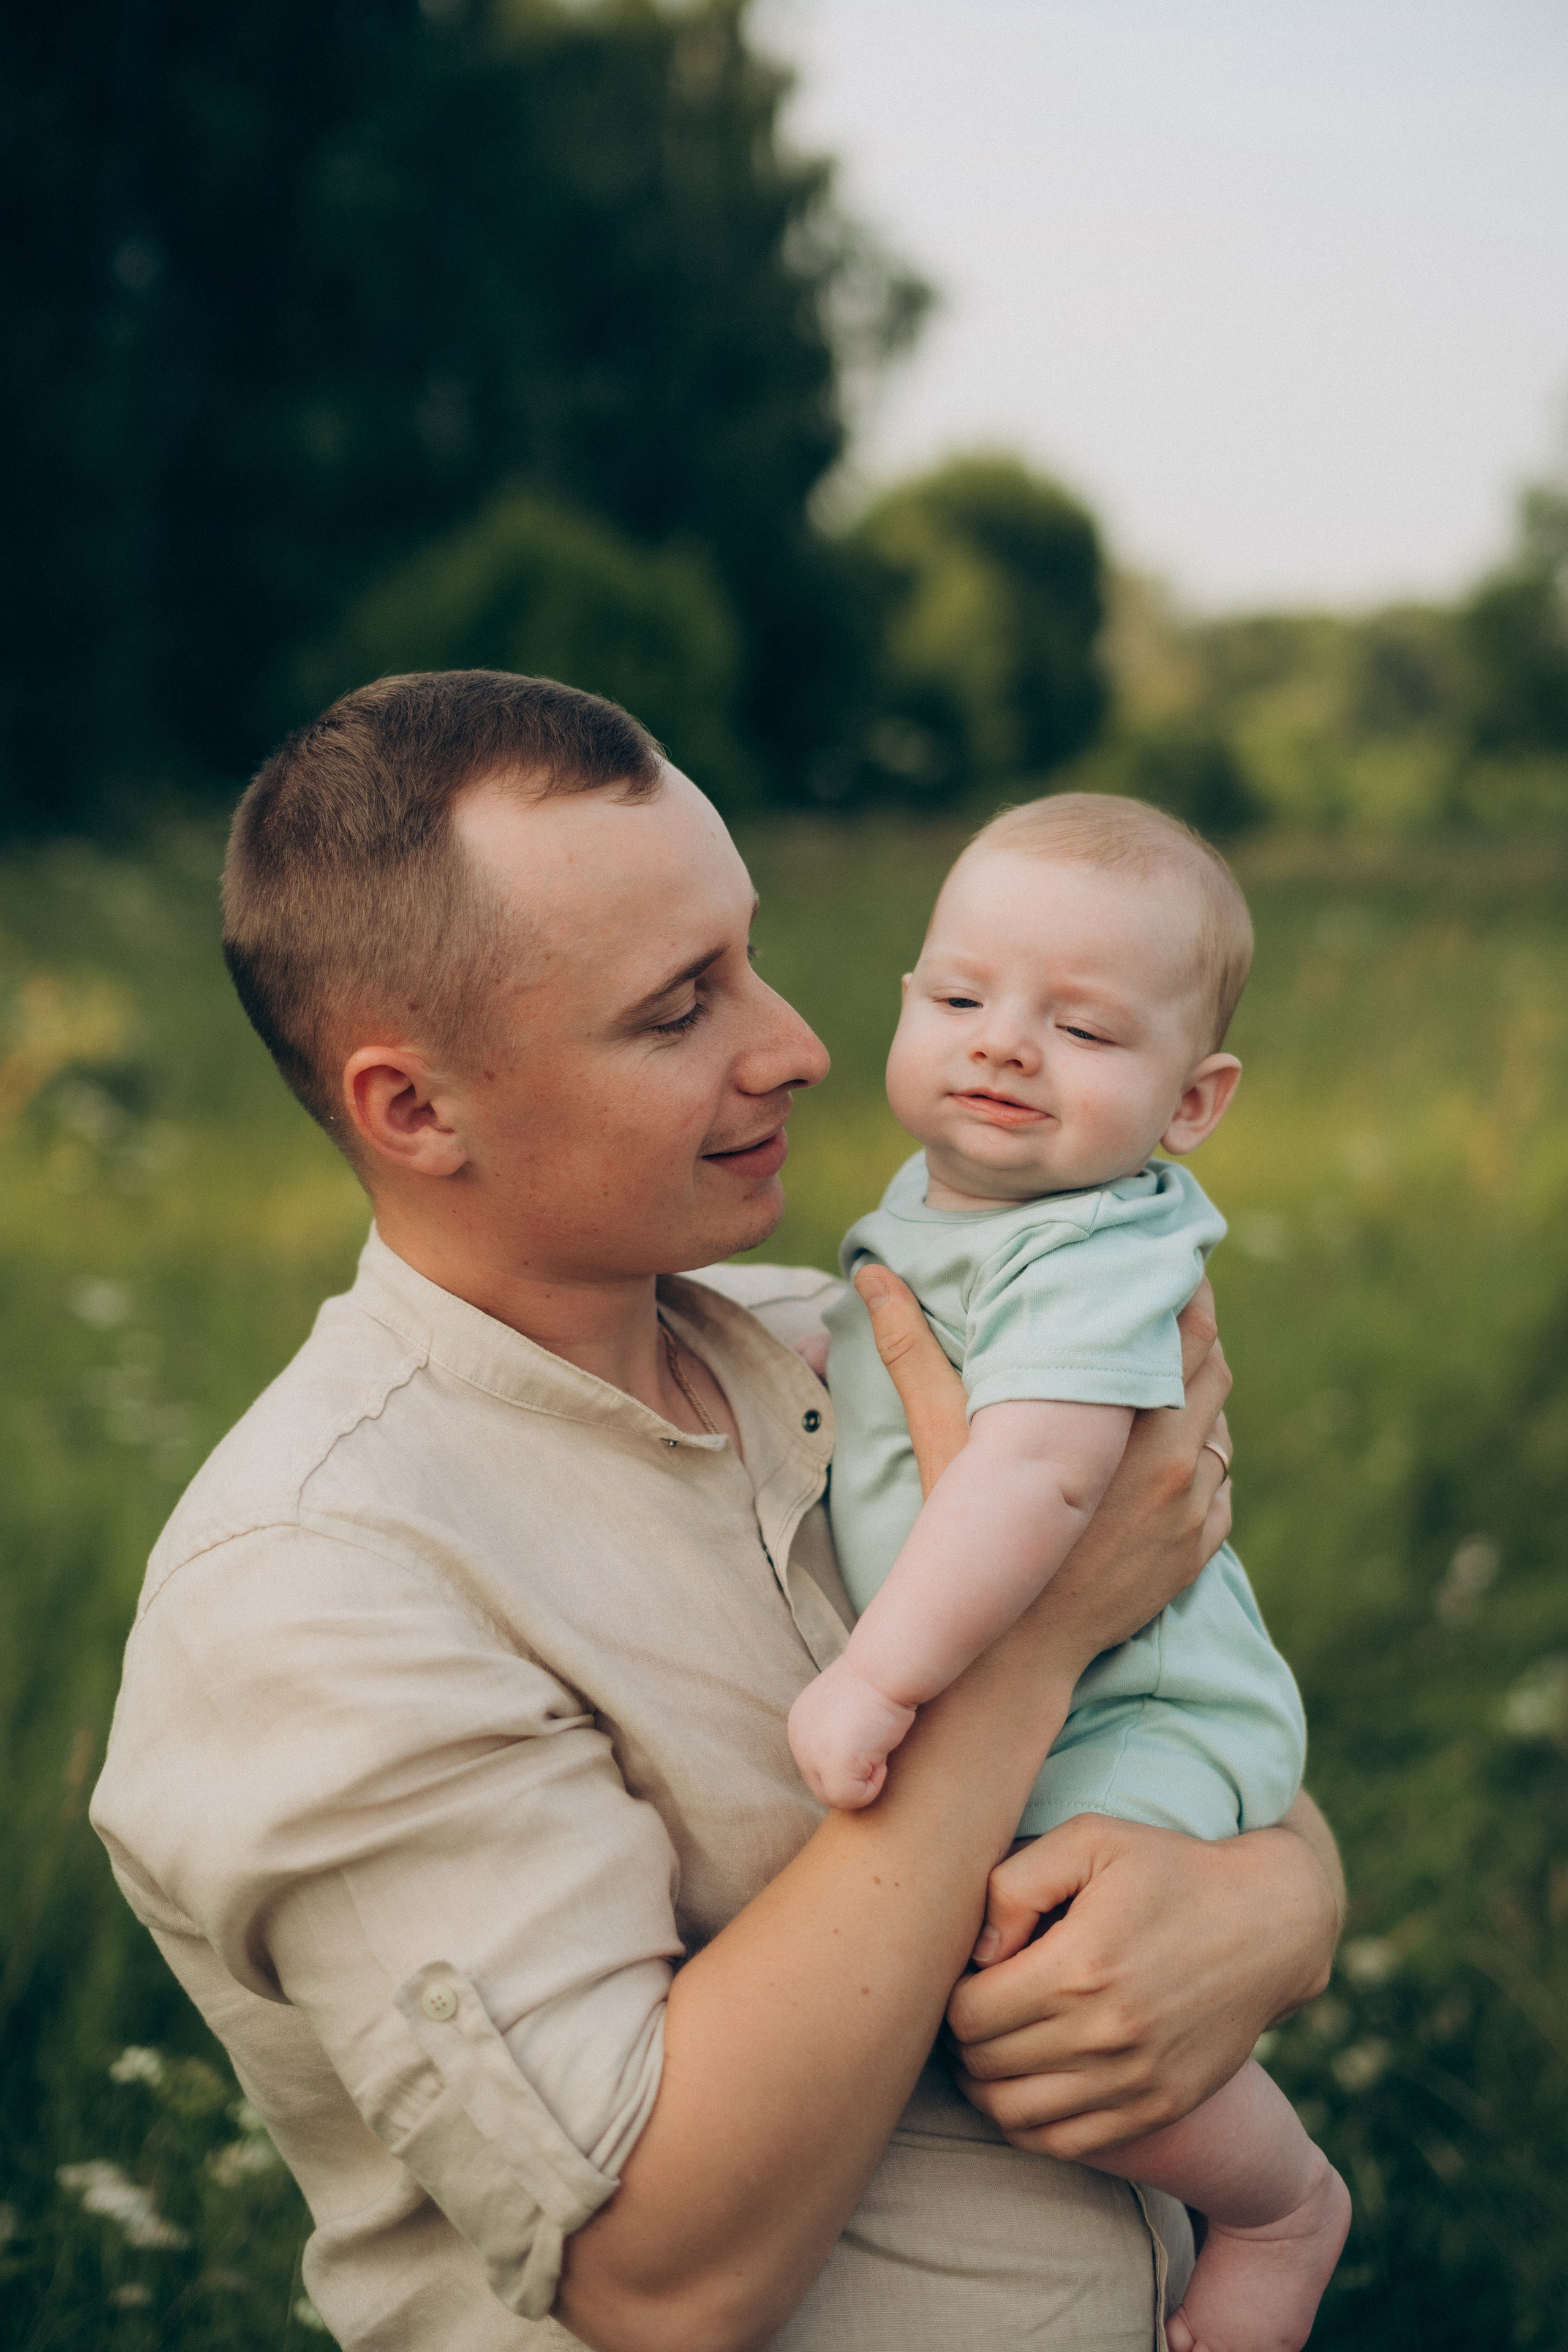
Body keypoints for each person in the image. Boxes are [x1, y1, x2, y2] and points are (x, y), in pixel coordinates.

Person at [91, 673, 1344, 2352]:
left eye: (748, 953)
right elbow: (659, 2275)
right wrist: (1028, 1642)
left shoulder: (833, 1335)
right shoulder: (318, 1586)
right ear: (415, 1108)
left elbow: (1186, 1697)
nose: (801, 1045)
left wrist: (1278, 1912)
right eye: (680, 1008)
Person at [789, 794, 1349, 2352]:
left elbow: (1035, 1477)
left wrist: (881, 1674)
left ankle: (1278, 2203)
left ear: (1191, 1100)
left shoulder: (1093, 1248)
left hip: (1141, 1708)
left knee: (1039, 1988)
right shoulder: (960, 1209)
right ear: (906, 1004)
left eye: (1084, 1028)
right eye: (962, 999)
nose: (1006, 1045)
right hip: (1089, 1689)